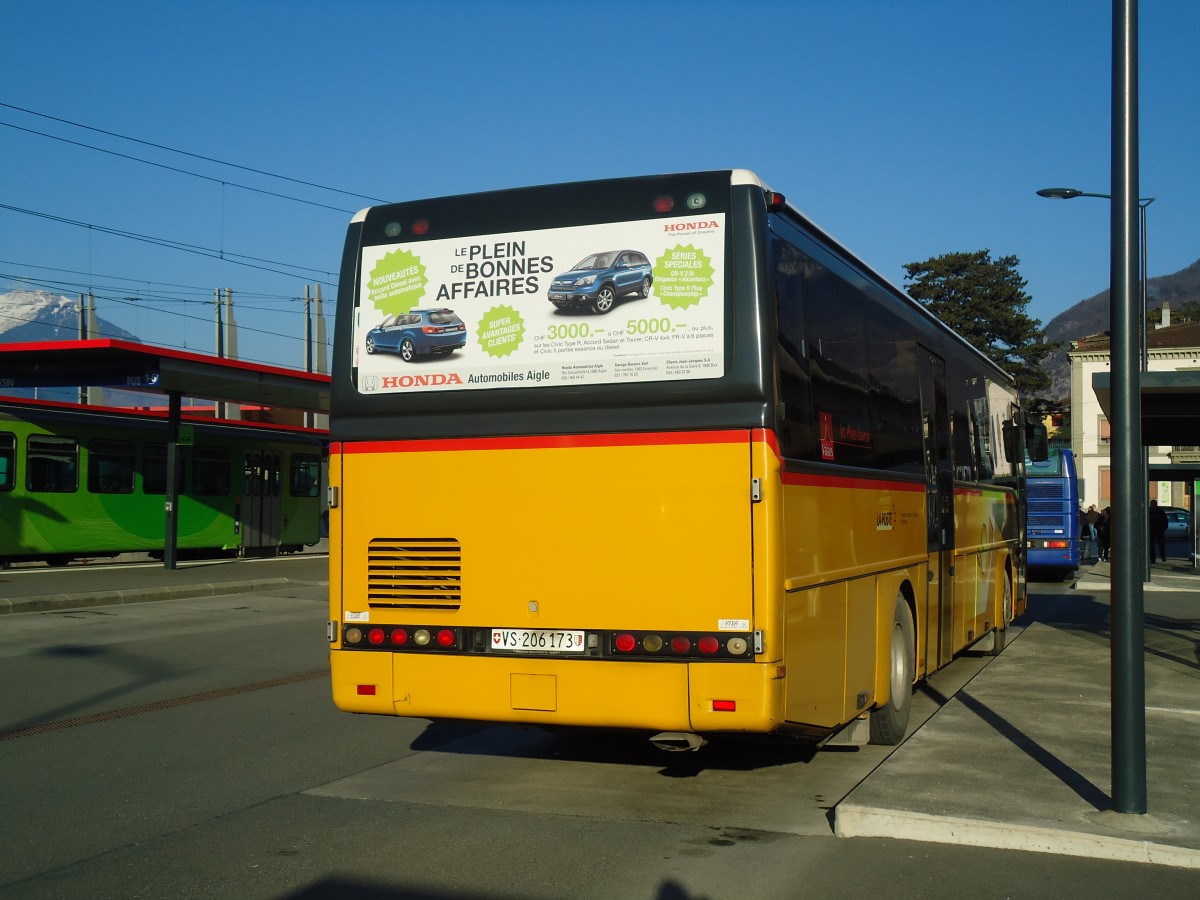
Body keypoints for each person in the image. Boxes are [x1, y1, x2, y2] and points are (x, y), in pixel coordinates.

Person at [1148, 499, 1169, 563]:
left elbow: (1165, 520)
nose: (1153, 505)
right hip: (1151, 530)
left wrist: (1164, 527)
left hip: (1159, 529)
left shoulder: (1160, 511)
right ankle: (1153, 559)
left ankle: (1162, 557)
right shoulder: (1148, 511)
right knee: (1152, 545)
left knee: (1161, 544)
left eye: (1154, 504)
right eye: (1152, 504)